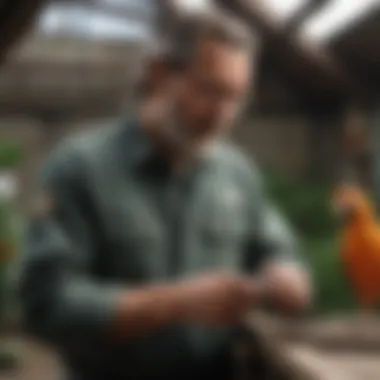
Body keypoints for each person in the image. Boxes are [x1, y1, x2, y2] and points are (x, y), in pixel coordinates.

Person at [19, 12, 311, 380]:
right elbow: (45, 303)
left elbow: (277, 250)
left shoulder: (236, 174)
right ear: (159, 75)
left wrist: (285, 275)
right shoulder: (79, 168)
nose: (222, 115)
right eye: (210, 90)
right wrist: (173, 304)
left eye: (236, 98)